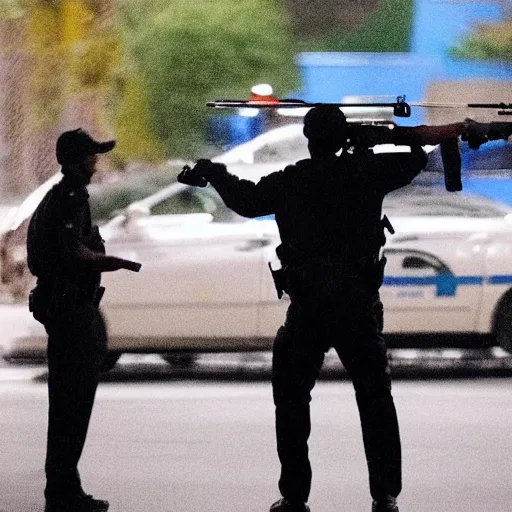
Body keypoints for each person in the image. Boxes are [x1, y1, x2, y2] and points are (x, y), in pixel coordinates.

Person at [177, 106, 472, 512]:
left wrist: (215, 172)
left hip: (309, 310)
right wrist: (372, 142)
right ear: (342, 138)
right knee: (375, 401)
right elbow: (416, 157)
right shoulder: (366, 173)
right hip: (357, 308)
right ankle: (385, 495)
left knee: (292, 402)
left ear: (309, 139)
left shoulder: (293, 180)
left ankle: (295, 497)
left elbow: (245, 200)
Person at [27, 129, 141, 512]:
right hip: (70, 311)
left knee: (68, 406)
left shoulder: (63, 196)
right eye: (92, 155)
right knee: (71, 406)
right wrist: (114, 262)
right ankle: (62, 492)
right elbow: (71, 252)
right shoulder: (70, 197)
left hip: (69, 309)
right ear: (79, 160)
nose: (97, 161)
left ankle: (64, 488)